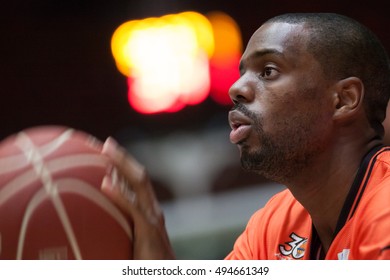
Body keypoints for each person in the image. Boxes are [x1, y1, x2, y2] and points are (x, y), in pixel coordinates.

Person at [100, 12, 390, 260]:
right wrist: (154, 252)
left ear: (343, 100)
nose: (236, 88)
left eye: (267, 71)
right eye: (242, 73)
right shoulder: (271, 226)